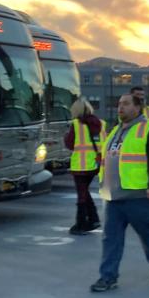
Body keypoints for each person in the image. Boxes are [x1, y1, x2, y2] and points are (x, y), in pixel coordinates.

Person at [90, 93, 149, 292]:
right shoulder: (115, 131)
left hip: (139, 196)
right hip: (114, 196)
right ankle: (108, 277)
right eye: (119, 104)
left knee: (148, 235)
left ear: (137, 107)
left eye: (125, 104)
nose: (120, 107)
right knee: (111, 238)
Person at [65, 98, 104, 235]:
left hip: (80, 166)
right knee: (85, 193)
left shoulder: (76, 124)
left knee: (81, 195)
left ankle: (81, 224)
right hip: (94, 164)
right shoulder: (100, 124)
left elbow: (70, 144)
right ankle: (93, 219)